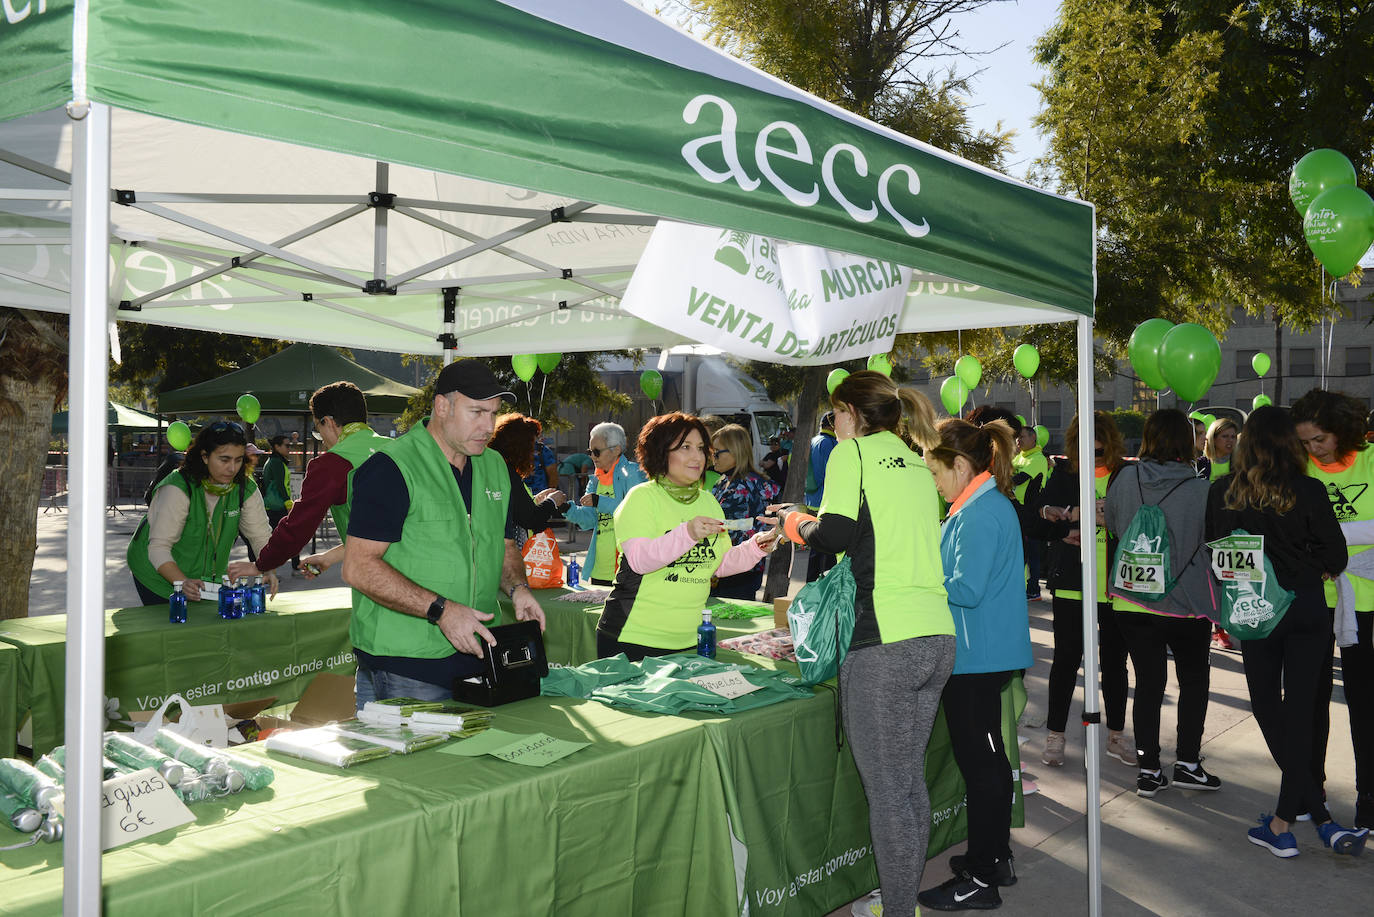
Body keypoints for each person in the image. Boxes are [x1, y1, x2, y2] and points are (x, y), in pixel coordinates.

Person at [769, 372, 954, 917]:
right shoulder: (916, 461)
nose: (834, 424)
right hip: (935, 636)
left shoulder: (854, 455)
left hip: (885, 641)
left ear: (849, 413)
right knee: (907, 783)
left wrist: (794, 524)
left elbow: (837, 534)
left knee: (890, 793)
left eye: (834, 415)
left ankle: (899, 908)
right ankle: (901, 898)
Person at [340, 360, 555, 707]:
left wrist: (518, 589)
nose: (488, 426)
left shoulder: (494, 465)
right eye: (477, 412)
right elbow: (359, 567)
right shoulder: (392, 467)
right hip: (407, 665)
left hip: (480, 654)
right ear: (442, 406)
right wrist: (441, 610)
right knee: (413, 762)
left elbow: (502, 544)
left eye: (494, 414)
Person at [1205, 406, 1366, 857]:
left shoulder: (1223, 492)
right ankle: (1313, 819)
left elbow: (1216, 557)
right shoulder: (1309, 489)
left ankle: (1296, 820)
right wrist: (1303, 570)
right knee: (1298, 714)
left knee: (1269, 709)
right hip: (1307, 612)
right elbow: (1335, 557)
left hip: (1258, 613)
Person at [913, 418, 1030, 911]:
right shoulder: (977, 505)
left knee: (982, 766)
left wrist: (916, 577)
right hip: (980, 653)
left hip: (978, 656)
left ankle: (983, 876)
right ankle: (994, 857)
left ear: (960, 465)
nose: (934, 482)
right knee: (988, 762)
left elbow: (967, 587)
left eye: (936, 472)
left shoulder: (981, 512)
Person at [597, 413, 779, 660]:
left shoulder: (708, 501)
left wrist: (758, 545)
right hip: (633, 637)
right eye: (685, 447)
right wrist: (687, 533)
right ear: (661, 452)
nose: (697, 456)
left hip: (689, 640)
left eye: (702, 448)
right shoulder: (641, 498)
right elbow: (640, 561)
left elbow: (720, 563)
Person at [1104, 408, 1219, 798]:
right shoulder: (1202, 489)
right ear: (1189, 443)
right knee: (1193, 682)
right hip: (1186, 603)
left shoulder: (1123, 479)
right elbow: (1211, 541)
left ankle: (1149, 769)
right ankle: (1188, 762)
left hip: (1132, 601)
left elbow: (1117, 527)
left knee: (1148, 685)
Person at [1032, 412, 1135, 769]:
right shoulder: (1064, 474)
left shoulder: (1126, 475)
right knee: (1065, 661)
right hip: (1073, 584)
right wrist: (1066, 515)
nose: (1094, 457)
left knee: (1115, 664)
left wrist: (1115, 518)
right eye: (1087, 450)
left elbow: (1144, 522)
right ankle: (1055, 735)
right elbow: (1039, 516)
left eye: (1101, 450)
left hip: (1117, 586)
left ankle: (1117, 735)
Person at [1292, 387, 1374, 830]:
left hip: (1367, 608)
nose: (1312, 449)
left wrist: (1329, 542)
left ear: (1342, 431)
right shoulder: (1297, 469)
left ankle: (1370, 799)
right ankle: (1309, 789)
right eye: (1305, 442)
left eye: (1319, 439)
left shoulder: (1373, 460)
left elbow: (1314, 535)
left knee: (1366, 705)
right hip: (1311, 604)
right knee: (1308, 701)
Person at [227, 381, 391, 584]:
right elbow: (383, 530)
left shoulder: (332, 463)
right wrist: (328, 557)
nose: (321, 438)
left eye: (317, 428)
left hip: (382, 581)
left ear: (328, 422)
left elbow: (298, 527)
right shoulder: (399, 448)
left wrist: (261, 564)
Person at [127, 421, 276, 605]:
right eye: (224, 459)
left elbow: (260, 536)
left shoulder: (246, 488)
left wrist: (269, 567)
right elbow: (159, 548)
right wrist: (182, 582)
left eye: (238, 460)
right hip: (155, 576)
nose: (232, 468)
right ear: (205, 456)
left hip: (206, 582)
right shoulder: (177, 487)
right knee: (173, 628)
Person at [564, 422, 647, 586]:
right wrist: (566, 509)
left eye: (596, 452)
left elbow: (635, 512)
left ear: (616, 449)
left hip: (626, 568)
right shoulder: (595, 479)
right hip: (600, 569)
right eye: (590, 452)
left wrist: (600, 501)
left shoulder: (632, 473)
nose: (592, 457)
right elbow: (589, 521)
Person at [710, 423, 779, 600]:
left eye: (717, 452)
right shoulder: (723, 481)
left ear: (735, 451)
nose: (713, 457)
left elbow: (750, 525)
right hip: (724, 564)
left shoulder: (749, 484)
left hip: (740, 571)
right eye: (711, 451)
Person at [488, 412, 569, 548]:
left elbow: (516, 508)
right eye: (531, 447)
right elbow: (531, 519)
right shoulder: (506, 472)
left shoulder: (493, 466)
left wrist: (535, 501)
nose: (533, 453)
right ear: (519, 447)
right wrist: (553, 501)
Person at [1012, 421, 1049, 599]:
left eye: (1022, 437)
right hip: (1017, 511)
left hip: (1030, 512)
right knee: (1021, 551)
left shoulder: (1038, 458)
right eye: (1017, 438)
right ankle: (1023, 587)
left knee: (1031, 552)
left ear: (1033, 437)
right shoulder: (1019, 457)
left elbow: (1018, 479)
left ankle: (1033, 589)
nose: (1018, 440)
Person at [257, 436, 300, 574]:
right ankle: (294, 566)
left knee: (282, 538)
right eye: (286, 445)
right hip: (278, 507)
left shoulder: (275, 461)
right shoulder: (276, 462)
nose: (289, 448)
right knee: (290, 537)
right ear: (277, 447)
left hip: (275, 506)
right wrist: (288, 504)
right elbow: (280, 486)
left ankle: (271, 569)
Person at [804, 411, 839, 582]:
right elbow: (832, 473)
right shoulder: (830, 444)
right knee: (828, 552)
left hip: (810, 500)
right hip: (826, 502)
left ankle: (810, 585)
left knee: (815, 550)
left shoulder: (813, 441)